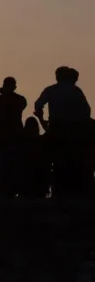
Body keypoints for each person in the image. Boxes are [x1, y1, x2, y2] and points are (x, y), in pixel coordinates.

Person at [34, 66, 92, 199]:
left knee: (48, 158)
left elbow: (38, 105)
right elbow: (86, 111)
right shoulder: (75, 91)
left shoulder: (51, 90)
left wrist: (41, 117)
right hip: (73, 130)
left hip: (56, 128)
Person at [15, 117, 51, 199]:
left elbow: (50, 133)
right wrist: (41, 119)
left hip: (32, 185)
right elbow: (50, 133)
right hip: (31, 185)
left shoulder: (21, 144)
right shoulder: (40, 142)